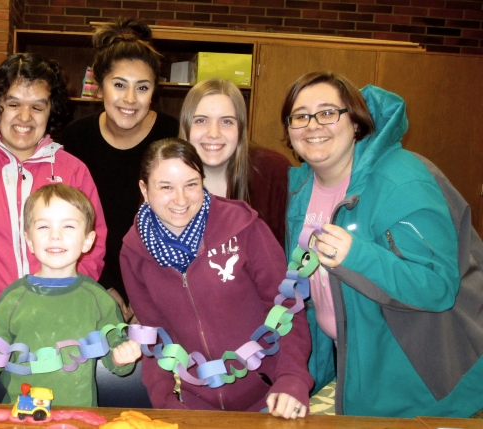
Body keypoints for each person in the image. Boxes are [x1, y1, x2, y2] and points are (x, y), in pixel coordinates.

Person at [283, 71, 483, 417]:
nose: (313, 125)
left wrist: (357, 256)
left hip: (420, 392)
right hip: (352, 374)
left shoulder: (404, 179)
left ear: (357, 123)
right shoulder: (299, 188)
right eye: (300, 116)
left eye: (328, 112)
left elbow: (437, 286)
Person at [120, 138, 312, 419]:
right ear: (144, 190)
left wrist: (292, 378)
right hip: (194, 407)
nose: (181, 199)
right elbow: (154, 336)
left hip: (269, 400)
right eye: (165, 187)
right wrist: (166, 403)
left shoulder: (244, 228)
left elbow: (285, 308)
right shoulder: (134, 252)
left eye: (191, 184)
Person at [0, 53, 106, 335]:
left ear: (51, 110)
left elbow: (92, 248)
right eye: (13, 104)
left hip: (55, 323)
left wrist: (61, 309)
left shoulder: (74, 171)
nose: (24, 117)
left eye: (37, 107)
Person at [0, 184, 141, 406]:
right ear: (29, 241)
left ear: (87, 241)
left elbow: (115, 356)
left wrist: (123, 356)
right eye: (44, 227)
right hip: (21, 417)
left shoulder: (98, 299)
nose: (55, 236)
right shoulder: (13, 299)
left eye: (68, 226)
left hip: (79, 419)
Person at [60, 18, 178, 321]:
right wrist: (103, 283)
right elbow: (68, 220)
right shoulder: (75, 138)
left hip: (162, 284)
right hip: (90, 279)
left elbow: (182, 222)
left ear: (155, 91)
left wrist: (150, 295)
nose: (129, 99)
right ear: (100, 87)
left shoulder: (174, 136)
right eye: (119, 85)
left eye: (142, 87)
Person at [179, 78, 290, 247]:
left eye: (226, 121)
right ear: (186, 127)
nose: (213, 133)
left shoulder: (272, 173)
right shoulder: (164, 176)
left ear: (241, 128)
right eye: (201, 120)